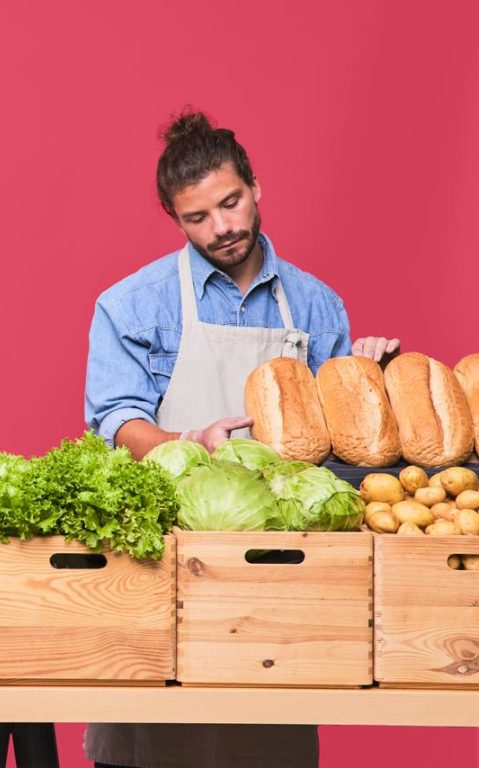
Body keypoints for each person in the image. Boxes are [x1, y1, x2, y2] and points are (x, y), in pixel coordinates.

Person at [83, 111, 397, 768]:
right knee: (152, 734)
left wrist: (368, 375)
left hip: (279, 575)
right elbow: (115, 420)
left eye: (230, 203)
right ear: (175, 220)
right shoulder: (131, 304)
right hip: (165, 560)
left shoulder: (315, 306)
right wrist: (188, 440)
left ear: (255, 187)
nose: (221, 227)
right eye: (197, 218)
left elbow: (339, 450)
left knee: (265, 737)